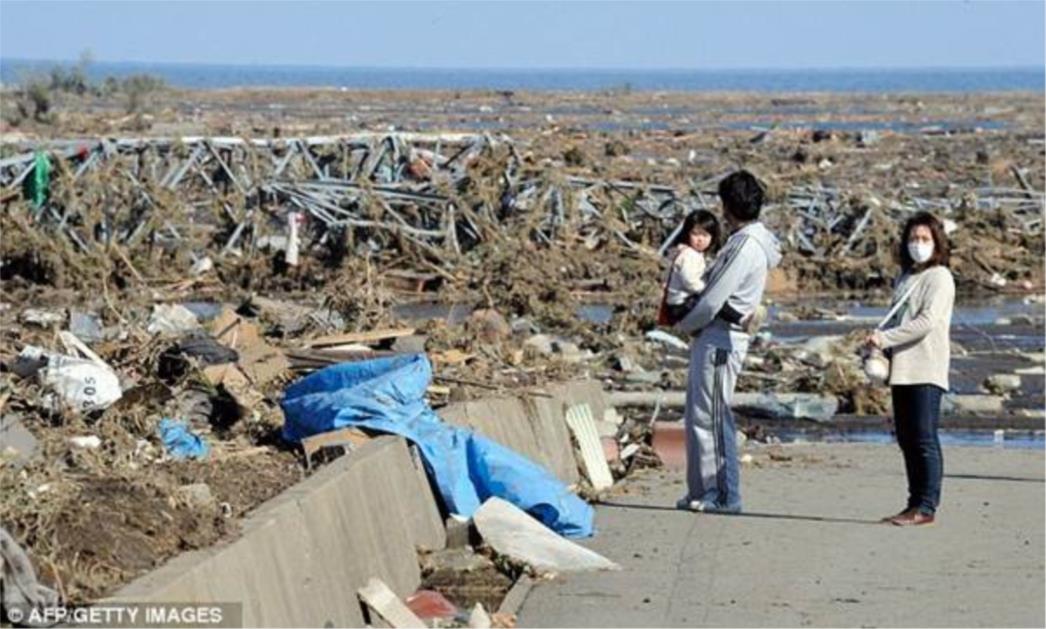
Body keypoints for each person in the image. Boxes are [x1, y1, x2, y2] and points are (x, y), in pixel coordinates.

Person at [674, 170, 781, 513]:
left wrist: (687, 323)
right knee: (698, 414)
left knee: (713, 416)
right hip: (718, 335)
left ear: (728, 206)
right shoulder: (749, 241)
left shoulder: (744, 245)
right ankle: (701, 489)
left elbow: (712, 297)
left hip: (722, 336)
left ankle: (723, 494)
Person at [865, 212, 955, 527]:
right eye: (914, 239)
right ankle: (913, 502)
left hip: (926, 366)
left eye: (925, 239)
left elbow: (926, 322)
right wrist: (879, 344)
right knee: (906, 437)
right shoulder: (905, 278)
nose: (918, 245)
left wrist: (885, 337)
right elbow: (899, 318)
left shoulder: (940, 277)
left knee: (923, 437)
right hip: (902, 368)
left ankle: (927, 505)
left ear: (937, 243)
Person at [660, 210, 754, 329]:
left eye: (705, 235)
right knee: (714, 301)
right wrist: (708, 289)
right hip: (680, 305)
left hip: (682, 302)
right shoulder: (688, 255)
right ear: (687, 234)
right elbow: (690, 281)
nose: (700, 239)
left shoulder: (694, 254)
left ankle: (740, 317)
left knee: (715, 298)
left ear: (712, 237)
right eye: (695, 234)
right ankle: (741, 319)